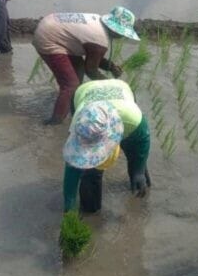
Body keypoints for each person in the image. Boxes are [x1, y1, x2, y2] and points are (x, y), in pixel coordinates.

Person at [32, 7, 140, 125]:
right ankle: (55, 122)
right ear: (116, 30)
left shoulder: (98, 22)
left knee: (79, 67)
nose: (123, 36)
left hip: (50, 24)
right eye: (123, 33)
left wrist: (111, 67)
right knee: (70, 85)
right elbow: (91, 70)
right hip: (48, 37)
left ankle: (71, 107)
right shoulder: (99, 38)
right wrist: (111, 84)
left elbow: (94, 57)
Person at [62, 79, 150, 213]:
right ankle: (91, 208)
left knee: (135, 155)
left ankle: (138, 179)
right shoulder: (79, 126)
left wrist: (139, 170)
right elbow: (72, 167)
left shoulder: (131, 119)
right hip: (84, 91)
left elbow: (143, 140)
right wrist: (69, 206)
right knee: (90, 172)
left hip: (121, 89)